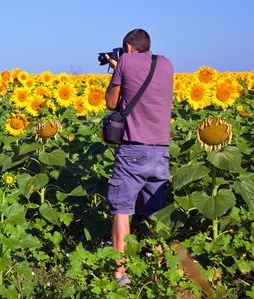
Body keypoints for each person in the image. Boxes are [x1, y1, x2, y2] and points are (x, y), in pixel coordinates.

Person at [104, 28, 174, 286]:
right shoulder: (166, 63)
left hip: (133, 150)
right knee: (155, 212)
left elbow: (112, 103)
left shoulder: (125, 61)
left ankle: (121, 276)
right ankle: (159, 274)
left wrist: (116, 67)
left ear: (128, 47)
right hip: (161, 151)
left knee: (121, 210)